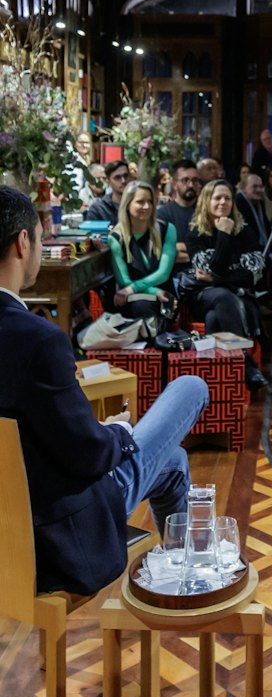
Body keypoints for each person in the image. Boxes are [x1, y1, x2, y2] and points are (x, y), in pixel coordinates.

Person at [0, 187, 210, 595]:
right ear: (23, 242)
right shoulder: (38, 340)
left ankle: (185, 574)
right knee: (191, 386)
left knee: (173, 461)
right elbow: (89, 455)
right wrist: (118, 431)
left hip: (10, 518)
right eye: (41, 239)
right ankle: (190, 581)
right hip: (56, 537)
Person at [183, 180, 269, 392]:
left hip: (237, 295)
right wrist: (224, 235)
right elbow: (212, 269)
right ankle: (246, 363)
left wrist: (217, 279)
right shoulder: (195, 233)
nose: (223, 202)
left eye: (227, 198)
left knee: (215, 317)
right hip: (203, 297)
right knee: (222, 296)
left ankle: (219, 382)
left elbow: (254, 274)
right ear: (206, 201)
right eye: (217, 198)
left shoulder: (244, 231)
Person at [108, 180, 178, 319]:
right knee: (142, 305)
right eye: (140, 202)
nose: (146, 206)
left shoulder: (167, 229)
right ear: (127, 204)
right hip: (134, 298)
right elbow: (124, 281)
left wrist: (135, 287)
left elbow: (163, 273)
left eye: (150, 201)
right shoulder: (116, 238)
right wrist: (154, 291)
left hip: (164, 296)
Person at [156, 159, 200, 264]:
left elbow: (212, 249)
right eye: (185, 180)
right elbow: (162, 253)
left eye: (194, 180)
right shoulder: (163, 214)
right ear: (174, 184)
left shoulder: (206, 212)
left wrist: (181, 247)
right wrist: (199, 254)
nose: (191, 185)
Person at [85, 158, 130, 223]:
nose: (123, 181)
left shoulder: (138, 204)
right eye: (117, 177)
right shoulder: (99, 209)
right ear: (108, 181)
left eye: (126, 176)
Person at [235, 171, 272, 248]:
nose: (259, 190)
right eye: (254, 186)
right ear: (244, 188)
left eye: (261, 186)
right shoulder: (238, 202)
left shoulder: (259, 202)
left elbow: (266, 227)